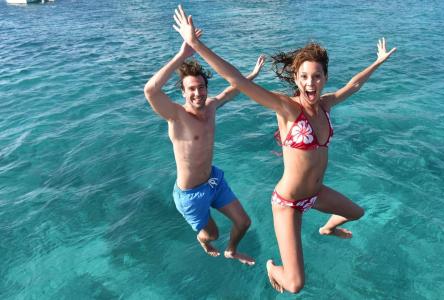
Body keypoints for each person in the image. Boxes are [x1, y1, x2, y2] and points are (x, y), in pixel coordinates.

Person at [173, 4, 396, 292]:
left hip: (315, 195)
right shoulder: (287, 108)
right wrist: (195, 44)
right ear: (296, 80)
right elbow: (237, 80)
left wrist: (377, 62)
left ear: (325, 78)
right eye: (304, 76)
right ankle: (271, 268)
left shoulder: (326, 105)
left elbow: (353, 86)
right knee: (294, 285)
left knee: (357, 212)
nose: (310, 82)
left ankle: (327, 227)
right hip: (288, 203)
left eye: (316, 76)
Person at [143, 26, 266, 266]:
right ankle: (204, 241)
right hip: (190, 195)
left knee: (244, 223)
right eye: (192, 89)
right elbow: (150, 90)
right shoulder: (175, 116)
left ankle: (232, 250)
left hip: (213, 181)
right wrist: (182, 55)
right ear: (183, 92)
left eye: (201, 87)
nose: (198, 93)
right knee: (212, 234)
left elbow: (231, 91)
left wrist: (251, 75)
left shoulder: (211, 106)